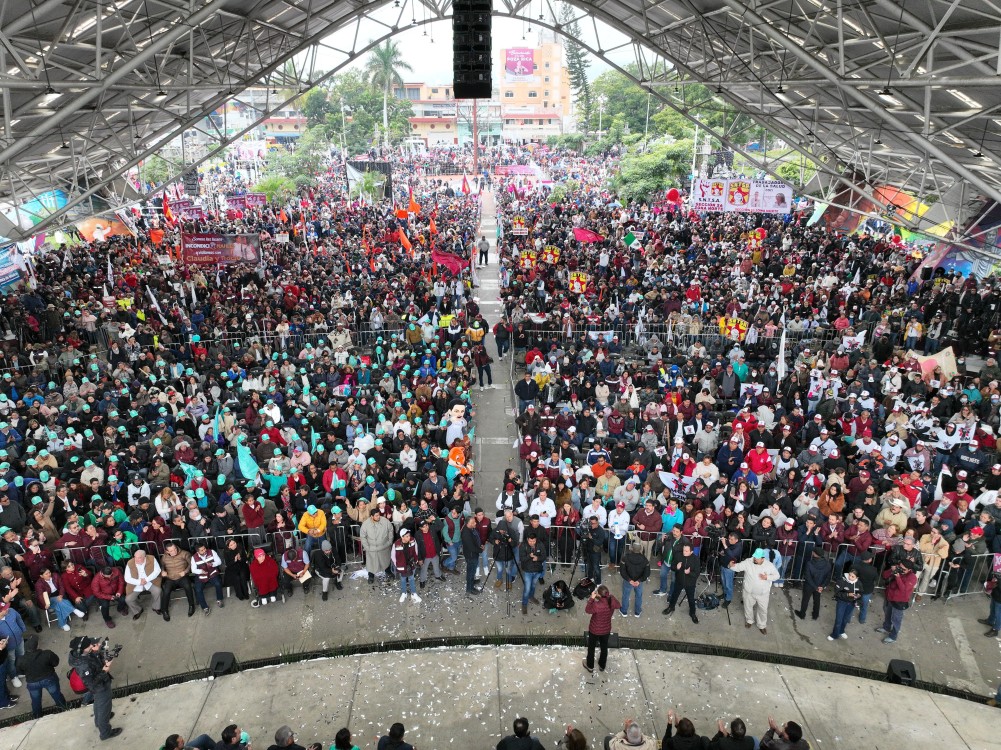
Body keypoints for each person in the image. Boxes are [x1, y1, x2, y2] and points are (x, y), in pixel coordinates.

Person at [68, 635, 121, 740]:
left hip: (99, 688)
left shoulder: (81, 655)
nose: (93, 645)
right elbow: (92, 683)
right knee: (104, 707)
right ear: (83, 648)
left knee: (98, 704)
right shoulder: (83, 665)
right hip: (100, 687)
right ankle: (105, 733)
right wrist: (105, 670)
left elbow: (92, 661)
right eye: (90, 645)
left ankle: (98, 722)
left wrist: (97, 652)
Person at [16, 633, 67, 718]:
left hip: (32, 683)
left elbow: (20, 672)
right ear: (37, 646)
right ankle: (65, 709)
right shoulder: (47, 654)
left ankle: (37, 717)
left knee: (36, 701)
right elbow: (56, 663)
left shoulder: (20, 660)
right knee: (57, 695)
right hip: (49, 679)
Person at [729, 548, 780, 634]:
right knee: (748, 607)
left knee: (763, 610)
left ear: (763, 558)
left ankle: (762, 625)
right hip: (749, 592)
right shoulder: (748, 562)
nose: (755, 559)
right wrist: (731, 565)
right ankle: (749, 621)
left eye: (757, 558)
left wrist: (767, 577)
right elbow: (737, 567)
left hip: (763, 594)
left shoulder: (769, 565)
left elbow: (777, 575)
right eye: (755, 557)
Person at [877, 561, 918, 644]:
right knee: (887, 613)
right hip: (889, 596)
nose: (901, 569)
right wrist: (891, 570)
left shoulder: (912, 577)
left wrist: (898, 577)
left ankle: (893, 636)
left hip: (900, 601)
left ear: (909, 570)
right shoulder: (896, 570)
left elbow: (903, 589)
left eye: (903, 569)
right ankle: (886, 627)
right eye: (900, 567)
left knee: (896, 619)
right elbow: (884, 575)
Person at [583, 584, 620, 674]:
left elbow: (587, 610)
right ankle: (602, 666)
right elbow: (618, 604)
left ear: (598, 594)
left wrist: (592, 598)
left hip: (594, 630)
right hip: (606, 629)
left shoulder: (597, 605)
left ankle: (590, 666)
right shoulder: (611, 600)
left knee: (591, 648)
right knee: (604, 647)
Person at [664, 543, 700, 624]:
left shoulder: (695, 559)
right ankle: (671, 607)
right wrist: (677, 567)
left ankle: (692, 613)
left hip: (690, 583)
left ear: (691, 552)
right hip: (679, 580)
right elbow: (672, 566)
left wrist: (689, 573)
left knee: (691, 599)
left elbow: (697, 573)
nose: (684, 552)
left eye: (686, 551)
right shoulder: (678, 555)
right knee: (674, 595)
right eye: (684, 550)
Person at [160, 540, 195, 621]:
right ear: (167, 551)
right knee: (166, 591)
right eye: (171, 550)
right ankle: (164, 610)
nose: (174, 551)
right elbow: (162, 565)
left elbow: (191, 564)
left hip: (182, 577)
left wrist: (186, 571)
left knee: (188, 586)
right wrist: (163, 571)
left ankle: (191, 606)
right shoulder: (164, 557)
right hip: (170, 578)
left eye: (175, 549)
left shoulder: (184, 553)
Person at [124, 549, 163, 620]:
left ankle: (156, 607)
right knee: (128, 599)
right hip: (136, 584)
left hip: (150, 581)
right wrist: (139, 582)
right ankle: (137, 610)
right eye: (135, 557)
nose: (136, 559)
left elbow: (157, 571)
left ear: (144, 557)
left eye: (139, 558)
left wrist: (146, 579)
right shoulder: (130, 562)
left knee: (158, 591)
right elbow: (127, 578)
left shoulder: (151, 558)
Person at [796, 548, 832, 621]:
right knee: (817, 599)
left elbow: (808, 577)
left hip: (809, 585)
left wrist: (815, 587)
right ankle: (815, 615)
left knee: (805, 599)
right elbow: (828, 577)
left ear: (814, 553)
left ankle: (802, 614)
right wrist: (822, 586)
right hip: (820, 585)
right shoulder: (828, 564)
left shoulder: (809, 563)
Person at [618, 541, 650, 618]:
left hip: (628, 581)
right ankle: (637, 612)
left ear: (631, 548)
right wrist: (639, 581)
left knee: (626, 595)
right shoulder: (645, 560)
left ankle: (624, 611)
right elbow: (647, 573)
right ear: (640, 549)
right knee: (638, 596)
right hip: (639, 582)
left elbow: (622, 571)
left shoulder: (625, 558)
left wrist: (629, 580)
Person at [829, 568, 861, 641]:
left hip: (851, 604)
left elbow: (860, 592)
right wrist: (847, 594)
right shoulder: (842, 581)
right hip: (842, 602)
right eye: (849, 575)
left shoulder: (859, 583)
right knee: (838, 619)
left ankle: (841, 631)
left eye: (853, 576)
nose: (850, 577)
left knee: (845, 619)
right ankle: (834, 634)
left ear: (857, 577)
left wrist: (858, 597)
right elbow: (837, 593)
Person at [393, 528, 421, 604]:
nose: (409, 537)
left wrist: (416, 560)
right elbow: (393, 556)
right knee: (403, 579)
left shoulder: (413, 540)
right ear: (402, 537)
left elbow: (416, 550)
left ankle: (413, 593)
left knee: (411, 578)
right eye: (407, 536)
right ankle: (404, 593)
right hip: (402, 566)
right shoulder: (396, 544)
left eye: (409, 535)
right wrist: (398, 565)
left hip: (411, 564)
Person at [461, 515, 483, 595]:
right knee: (471, 571)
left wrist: (479, 545)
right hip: (471, 555)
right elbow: (471, 548)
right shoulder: (466, 534)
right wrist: (480, 550)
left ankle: (472, 581)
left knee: (471, 570)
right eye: (473, 522)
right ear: (468, 524)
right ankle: (469, 589)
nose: (475, 523)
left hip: (473, 553)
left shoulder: (470, 528)